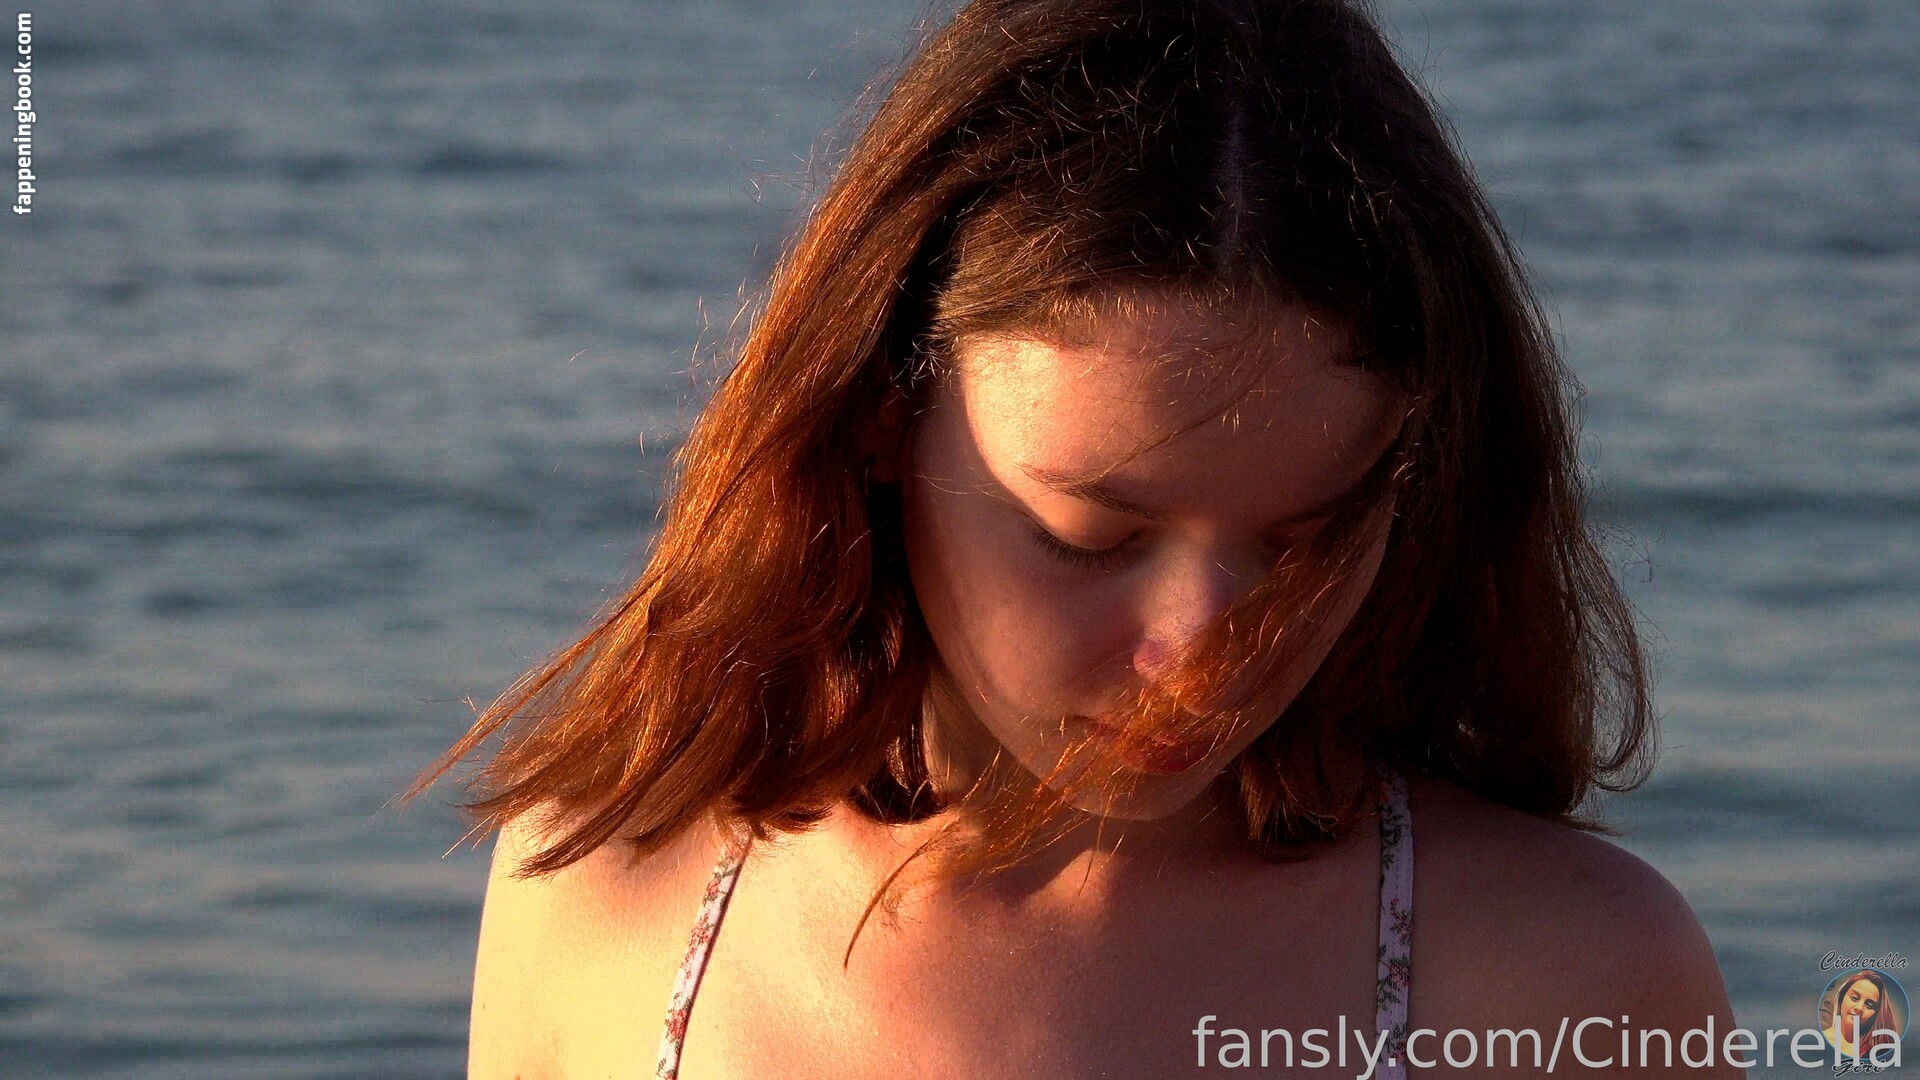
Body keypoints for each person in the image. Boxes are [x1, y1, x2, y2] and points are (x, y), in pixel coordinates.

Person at [410, 1, 1741, 1075]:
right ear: (879, 421)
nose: (1202, 654)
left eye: (1302, 547)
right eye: (1093, 538)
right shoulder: (603, 892)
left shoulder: (1566, 976)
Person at [1823, 969, 1900, 1060]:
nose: (1859, 1008)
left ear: (1875, 1014)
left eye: (1869, 1005)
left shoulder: (1878, 1049)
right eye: (1854, 998)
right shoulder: (1822, 1041)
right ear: (1841, 998)